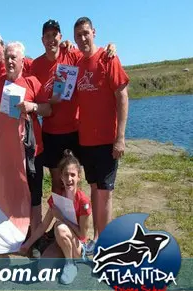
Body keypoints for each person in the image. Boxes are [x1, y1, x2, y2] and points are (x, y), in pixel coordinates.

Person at [32, 19, 117, 195]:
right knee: (57, 182)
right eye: (47, 36)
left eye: (54, 35)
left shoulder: (72, 54)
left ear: (60, 36)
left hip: (74, 131)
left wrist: (110, 47)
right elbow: (31, 94)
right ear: (42, 40)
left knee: (73, 180)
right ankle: (59, 221)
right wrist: (50, 102)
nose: (51, 39)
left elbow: (91, 53)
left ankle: (76, 220)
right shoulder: (36, 65)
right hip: (51, 132)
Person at [0, 41, 51, 258]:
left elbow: (48, 108)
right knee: (11, 195)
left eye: (14, 57)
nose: (9, 61)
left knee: (34, 195)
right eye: (7, 57)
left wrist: (32, 107)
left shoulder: (33, 82)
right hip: (7, 150)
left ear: (23, 61)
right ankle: (12, 236)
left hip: (32, 149)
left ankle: (36, 239)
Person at [73, 17, 129, 252]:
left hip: (107, 139)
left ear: (94, 32)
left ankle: (106, 245)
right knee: (95, 188)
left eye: (86, 33)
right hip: (86, 140)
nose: (83, 38)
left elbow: (122, 96)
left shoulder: (108, 58)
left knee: (105, 193)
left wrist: (120, 137)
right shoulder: (77, 62)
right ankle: (97, 238)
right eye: (78, 35)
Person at [20, 150, 92, 284]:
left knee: (59, 227)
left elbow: (82, 234)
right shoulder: (57, 198)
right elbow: (43, 226)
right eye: (66, 175)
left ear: (78, 177)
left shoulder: (83, 202)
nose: (69, 179)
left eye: (73, 175)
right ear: (61, 177)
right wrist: (27, 244)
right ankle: (63, 260)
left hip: (77, 245)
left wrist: (62, 218)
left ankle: (71, 265)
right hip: (61, 240)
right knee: (42, 268)